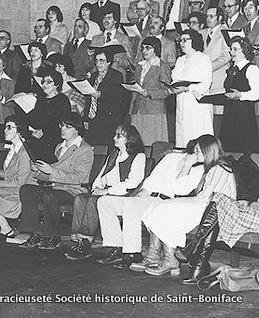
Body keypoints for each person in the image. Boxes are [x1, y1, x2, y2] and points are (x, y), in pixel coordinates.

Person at [96, 139, 204, 271]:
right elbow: (152, 178)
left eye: (199, 152)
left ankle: (132, 253)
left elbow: (180, 191)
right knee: (104, 202)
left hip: (166, 202)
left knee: (130, 205)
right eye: (195, 150)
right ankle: (117, 247)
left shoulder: (200, 169)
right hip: (148, 197)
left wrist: (187, 166)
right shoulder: (170, 158)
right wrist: (143, 192)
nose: (196, 154)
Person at [142, 135, 236, 276]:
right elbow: (178, 189)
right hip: (203, 202)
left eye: (198, 151)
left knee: (169, 210)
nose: (194, 154)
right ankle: (166, 258)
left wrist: (179, 202)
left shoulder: (223, 167)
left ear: (207, 151)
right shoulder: (206, 167)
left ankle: (170, 260)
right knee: (159, 206)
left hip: (215, 209)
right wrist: (187, 165)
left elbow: (212, 199)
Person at [65, 124, 146, 261]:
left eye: (118, 136)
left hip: (123, 195)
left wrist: (107, 191)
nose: (114, 138)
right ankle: (79, 239)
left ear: (128, 139)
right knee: (80, 198)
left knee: (93, 201)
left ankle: (86, 242)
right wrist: (97, 187)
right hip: (107, 192)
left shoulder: (138, 156)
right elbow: (102, 176)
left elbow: (133, 182)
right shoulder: (113, 156)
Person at [19, 112, 94, 250]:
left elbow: (78, 177)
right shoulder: (59, 146)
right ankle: (37, 232)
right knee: (26, 189)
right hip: (55, 187)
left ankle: (53, 236)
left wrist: (51, 171)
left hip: (73, 190)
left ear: (77, 130)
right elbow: (49, 173)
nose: (62, 129)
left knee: (49, 195)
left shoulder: (85, 149)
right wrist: (38, 169)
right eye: (61, 126)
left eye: (67, 127)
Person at [176, 191, 259, 285]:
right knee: (217, 204)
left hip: (255, 216)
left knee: (218, 201)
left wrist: (251, 203)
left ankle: (195, 256)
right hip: (252, 212)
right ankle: (197, 261)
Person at [171, 29, 214, 148]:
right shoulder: (180, 60)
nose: (182, 43)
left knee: (197, 132)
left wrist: (187, 88)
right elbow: (175, 78)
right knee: (183, 133)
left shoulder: (203, 58)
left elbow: (206, 83)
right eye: (180, 40)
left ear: (194, 41)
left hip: (197, 103)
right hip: (181, 100)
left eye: (185, 40)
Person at [220, 37, 259, 152]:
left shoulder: (251, 69)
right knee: (228, 150)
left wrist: (240, 95)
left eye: (235, 49)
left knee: (243, 150)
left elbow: (257, 93)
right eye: (231, 49)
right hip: (229, 114)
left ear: (245, 51)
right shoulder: (232, 69)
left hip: (244, 116)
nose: (231, 52)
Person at [130, 37, 171, 145]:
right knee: (137, 143)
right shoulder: (139, 66)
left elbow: (166, 91)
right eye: (142, 48)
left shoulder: (162, 66)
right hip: (138, 109)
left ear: (156, 49)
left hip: (154, 110)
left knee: (152, 143)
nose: (144, 51)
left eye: (148, 48)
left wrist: (149, 93)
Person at [85, 47, 127, 146]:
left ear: (108, 62)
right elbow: (89, 99)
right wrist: (86, 118)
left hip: (108, 119)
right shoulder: (93, 76)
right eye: (96, 61)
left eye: (102, 60)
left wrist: (101, 94)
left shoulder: (116, 75)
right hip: (94, 117)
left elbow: (118, 96)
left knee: (106, 146)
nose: (98, 64)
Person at [25, 70, 71, 151]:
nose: (44, 85)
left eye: (48, 82)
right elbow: (35, 118)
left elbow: (61, 122)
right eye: (43, 82)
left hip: (54, 139)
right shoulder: (41, 99)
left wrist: (43, 131)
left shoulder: (62, 100)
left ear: (57, 84)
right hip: (38, 136)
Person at [202, 7, 230, 97]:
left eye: (211, 16)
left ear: (220, 17)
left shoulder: (225, 32)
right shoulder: (202, 33)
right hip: (203, 79)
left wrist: (209, 67)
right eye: (207, 16)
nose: (208, 19)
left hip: (218, 77)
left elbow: (227, 55)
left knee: (218, 108)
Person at [242, 0, 259, 66]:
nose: (247, 11)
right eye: (245, 9)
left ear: (257, 8)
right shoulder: (243, 28)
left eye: (250, 8)